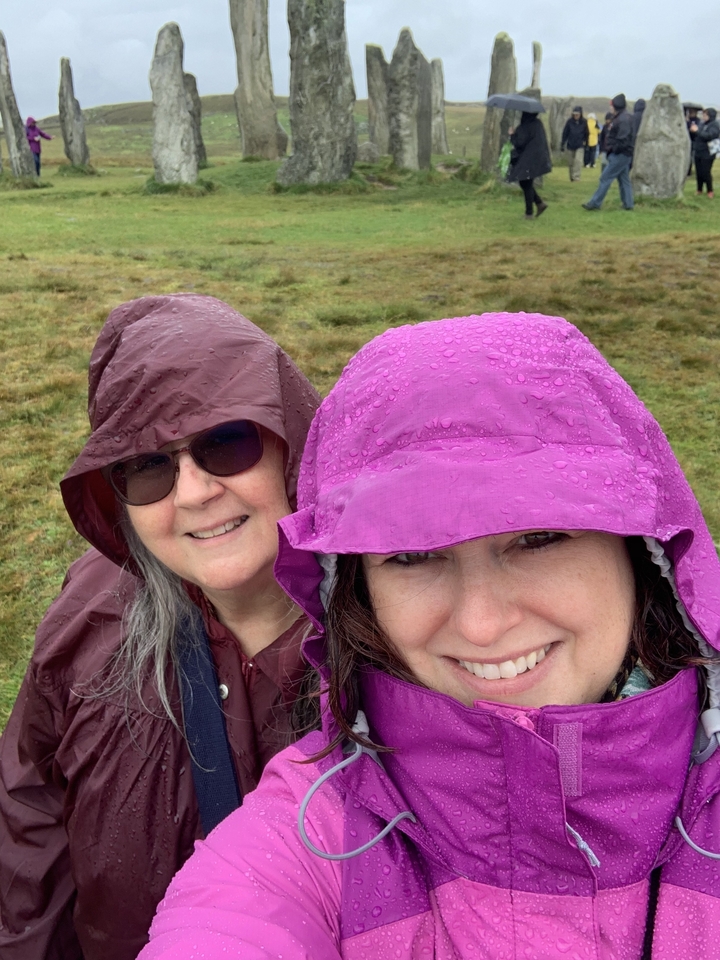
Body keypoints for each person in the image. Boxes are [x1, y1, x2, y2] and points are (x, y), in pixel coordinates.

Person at [140, 311, 720, 960]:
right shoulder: (307, 834)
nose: (480, 622)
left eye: (537, 538)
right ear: (356, 590)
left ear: (641, 553)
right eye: (411, 556)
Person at [0, 294, 320, 960]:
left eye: (225, 443)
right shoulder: (88, 620)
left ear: (288, 438)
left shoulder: (409, 642)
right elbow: (28, 828)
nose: (195, 492)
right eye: (148, 467)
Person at [583, 93, 635, 210]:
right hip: (623, 154)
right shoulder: (622, 118)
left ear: (616, 106)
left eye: (611, 105)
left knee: (605, 178)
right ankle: (628, 204)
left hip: (620, 154)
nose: (610, 107)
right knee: (624, 179)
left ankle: (595, 203)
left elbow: (623, 140)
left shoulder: (623, 120)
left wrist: (612, 149)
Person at [507, 111, 551, 219]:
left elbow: (519, 143)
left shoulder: (525, 126)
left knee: (526, 183)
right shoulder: (538, 123)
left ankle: (529, 213)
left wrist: (512, 135)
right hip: (538, 158)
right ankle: (539, 203)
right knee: (526, 183)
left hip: (528, 158)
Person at [691, 107, 719, 198]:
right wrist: (692, 131)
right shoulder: (702, 124)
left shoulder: (715, 125)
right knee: (699, 172)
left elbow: (709, 136)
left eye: (705, 114)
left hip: (708, 152)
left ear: (711, 115)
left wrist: (697, 131)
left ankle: (710, 191)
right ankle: (699, 189)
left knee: (706, 172)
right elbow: (697, 135)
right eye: (703, 114)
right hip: (699, 151)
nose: (703, 116)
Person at [560, 105, 588, 181]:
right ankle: (572, 177)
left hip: (580, 145)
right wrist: (562, 144)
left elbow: (587, 133)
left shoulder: (584, 122)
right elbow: (565, 133)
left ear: (580, 114)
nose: (575, 116)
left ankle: (576, 177)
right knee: (571, 163)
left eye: (577, 114)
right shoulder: (569, 122)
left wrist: (587, 143)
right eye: (574, 114)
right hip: (570, 144)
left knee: (578, 161)